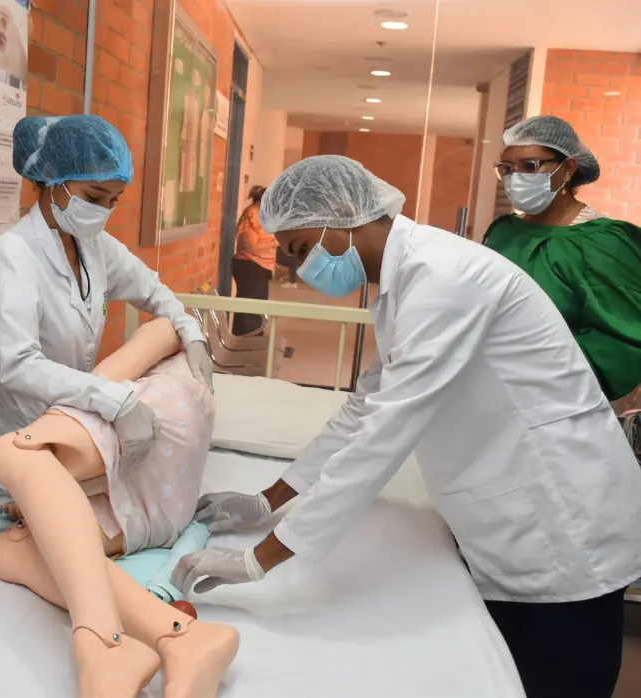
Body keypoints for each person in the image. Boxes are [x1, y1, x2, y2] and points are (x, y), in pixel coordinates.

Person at [172, 155, 641, 698]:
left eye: (302, 247)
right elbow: (366, 405)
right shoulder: (408, 282)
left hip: (562, 519)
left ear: (345, 213)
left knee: (560, 678)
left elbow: (385, 432)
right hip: (511, 513)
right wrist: (267, 500)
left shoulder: (443, 278)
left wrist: (260, 559)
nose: (300, 267)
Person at [0, 115, 213, 534]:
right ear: (53, 178)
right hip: (4, 447)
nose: (104, 210)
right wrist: (113, 400)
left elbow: (154, 291)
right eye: (94, 195)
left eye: (114, 200)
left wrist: (191, 333)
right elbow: (17, 364)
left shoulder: (93, 246)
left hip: (57, 444)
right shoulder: (14, 253)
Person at [0, 317, 237, 698]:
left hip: (155, 417)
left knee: (11, 451)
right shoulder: (200, 388)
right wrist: (36, 489)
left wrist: (34, 464)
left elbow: (98, 383)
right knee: (2, 551)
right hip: (165, 508)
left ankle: (102, 647)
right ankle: (183, 637)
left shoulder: (166, 333)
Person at [482, 114, 641, 407]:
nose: (515, 178)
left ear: (567, 169)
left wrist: (534, 366)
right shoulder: (504, 232)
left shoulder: (602, 243)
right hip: (491, 391)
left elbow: (625, 338)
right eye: (507, 168)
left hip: (559, 403)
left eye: (529, 166)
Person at [231, 185, 276, 335]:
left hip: (260, 268)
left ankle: (252, 342)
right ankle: (246, 346)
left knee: (257, 311)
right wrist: (274, 242)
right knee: (249, 313)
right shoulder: (253, 214)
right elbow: (250, 246)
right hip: (250, 266)